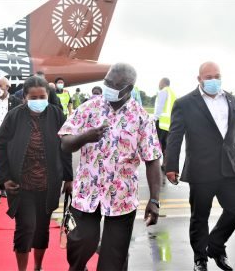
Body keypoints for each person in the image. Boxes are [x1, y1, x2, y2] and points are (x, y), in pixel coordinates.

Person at [59, 63, 162, 270]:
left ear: (128, 88)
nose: (109, 87)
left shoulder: (141, 118)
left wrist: (154, 200)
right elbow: (65, 143)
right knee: (80, 243)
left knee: (114, 259)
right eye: (107, 82)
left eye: (115, 85)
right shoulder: (90, 107)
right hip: (87, 193)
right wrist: (85, 137)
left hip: (122, 197)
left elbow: (152, 159)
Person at [165, 61, 235, 271]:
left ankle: (215, 246)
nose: (213, 80)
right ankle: (200, 259)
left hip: (230, 168)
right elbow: (175, 136)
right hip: (201, 170)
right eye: (208, 77)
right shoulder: (185, 103)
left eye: (217, 76)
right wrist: (171, 165)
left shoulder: (231, 99)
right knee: (200, 217)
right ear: (199, 79)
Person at [0, 75, 73, 271]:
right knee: (26, 228)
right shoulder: (14, 116)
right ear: (24, 98)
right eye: (33, 98)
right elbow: (0, 145)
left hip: (49, 184)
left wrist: (69, 177)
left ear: (48, 96)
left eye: (42, 97)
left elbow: (66, 146)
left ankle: (38, 267)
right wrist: (3, 178)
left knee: (41, 230)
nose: (38, 101)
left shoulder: (56, 115)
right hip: (22, 184)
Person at [153, 77, 176, 171]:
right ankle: (165, 163)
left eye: (159, 83)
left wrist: (155, 118)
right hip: (169, 123)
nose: (159, 85)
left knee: (159, 143)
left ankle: (159, 163)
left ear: (163, 83)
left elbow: (160, 106)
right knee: (166, 144)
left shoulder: (163, 91)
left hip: (162, 123)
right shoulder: (172, 93)